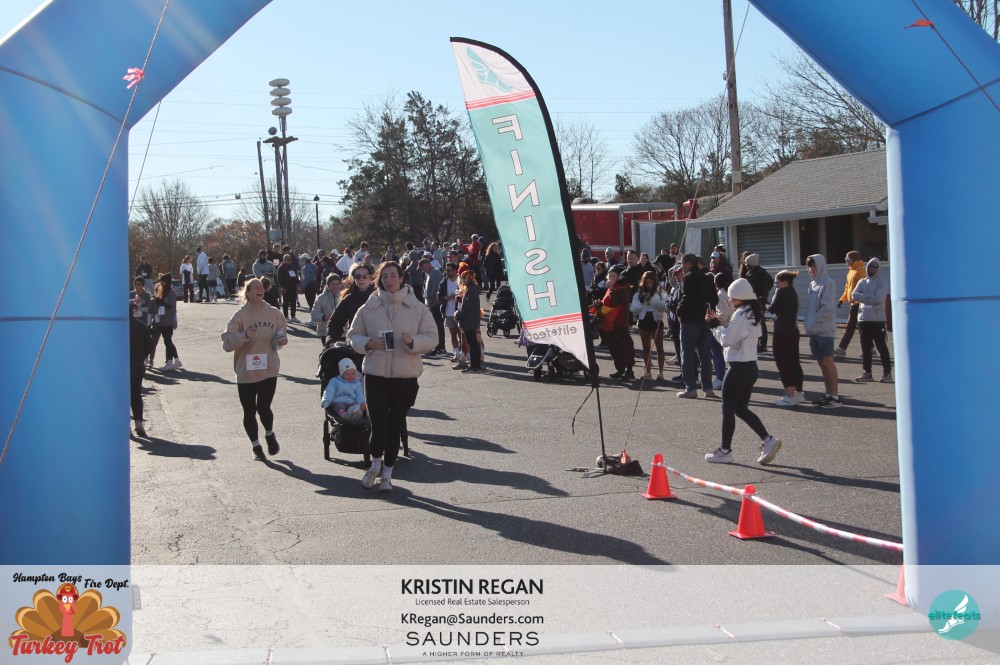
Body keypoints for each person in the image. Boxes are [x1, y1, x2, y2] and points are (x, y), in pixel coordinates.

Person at [349, 261, 437, 492]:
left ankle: (387, 474)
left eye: (393, 276)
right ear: (379, 280)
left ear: (401, 278)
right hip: (375, 375)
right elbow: (353, 335)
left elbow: (432, 337)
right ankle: (374, 466)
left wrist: (413, 341)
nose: (389, 280)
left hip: (405, 377)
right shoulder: (369, 307)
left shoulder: (416, 307)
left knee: (395, 426)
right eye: (385, 276)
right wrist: (368, 343)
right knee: (378, 426)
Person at [703, 278, 782, 465]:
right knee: (740, 408)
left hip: (738, 367)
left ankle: (725, 451)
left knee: (728, 409)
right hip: (750, 366)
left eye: (733, 297)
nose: (730, 300)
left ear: (741, 297)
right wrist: (717, 324)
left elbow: (727, 339)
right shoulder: (753, 313)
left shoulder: (741, 314)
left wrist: (714, 324)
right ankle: (767, 439)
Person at [221, 278, 288, 460]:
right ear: (248, 292)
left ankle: (269, 434)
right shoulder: (240, 316)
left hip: (269, 368)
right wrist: (244, 335)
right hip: (246, 372)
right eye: (255, 287)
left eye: (261, 287)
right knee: (249, 411)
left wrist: (281, 341)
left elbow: (280, 334)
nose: (260, 289)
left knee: (264, 407)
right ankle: (256, 446)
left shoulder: (274, 313)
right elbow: (227, 343)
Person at [804, 254, 842, 407]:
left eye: (813, 266)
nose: (811, 269)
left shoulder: (828, 283)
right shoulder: (812, 284)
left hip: (825, 329)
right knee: (821, 362)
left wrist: (814, 320)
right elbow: (809, 308)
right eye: (809, 266)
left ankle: (834, 396)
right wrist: (808, 322)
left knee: (827, 361)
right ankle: (828, 394)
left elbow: (827, 307)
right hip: (814, 330)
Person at [676, 253, 716, 398]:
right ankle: (708, 388)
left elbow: (687, 298)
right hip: (704, 320)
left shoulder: (688, 277)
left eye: (682, 264)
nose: (681, 267)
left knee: (686, 354)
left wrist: (679, 311)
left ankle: (690, 387)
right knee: (705, 355)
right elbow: (714, 298)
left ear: (688, 263)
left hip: (690, 320)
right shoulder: (707, 277)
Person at [851, 257, 893, 383]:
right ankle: (867, 372)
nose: (871, 269)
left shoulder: (882, 282)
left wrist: (863, 297)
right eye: (870, 266)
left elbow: (878, 299)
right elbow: (853, 295)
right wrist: (870, 296)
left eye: (874, 266)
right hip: (863, 319)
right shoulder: (862, 281)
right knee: (865, 348)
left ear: (878, 268)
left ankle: (887, 373)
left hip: (877, 320)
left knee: (881, 347)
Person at [769, 270, 805, 406]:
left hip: (782, 332)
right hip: (793, 330)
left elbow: (772, 309)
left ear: (784, 282)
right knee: (794, 362)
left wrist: (764, 304)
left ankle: (790, 395)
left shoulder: (781, 292)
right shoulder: (793, 292)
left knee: (783, 363)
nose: (776, 285)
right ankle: (798, 393)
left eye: (777, 282)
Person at [325, 264, 376, 346]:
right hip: (356, 342)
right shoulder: (348, 299)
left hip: (378, 343)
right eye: (358, 276)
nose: (361, 279)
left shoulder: (380, 296)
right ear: (354, 278)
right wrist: (332, 341)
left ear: (370, 278)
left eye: (365, 276)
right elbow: (335, 323)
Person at [600, 265, 635, 380]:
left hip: (620, 322)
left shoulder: (623, 288)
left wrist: (611, 289)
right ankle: (620, 369)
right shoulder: (612, 287)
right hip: (610, 322)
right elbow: (607, 302)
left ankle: (629, 370)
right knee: (614, 347)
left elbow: (615, 301)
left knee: (625, 345)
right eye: (609, 276)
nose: (610, 278)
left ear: (619, 277)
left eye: (613, 276)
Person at [630, 271, 666, 380]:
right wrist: (642, 300)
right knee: (646, 349)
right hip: (644, 320)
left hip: (656, 320)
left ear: (654, 282)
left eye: (650, 282)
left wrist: (651, 299)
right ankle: (648, 372)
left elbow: (664, 306)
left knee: (659, 348)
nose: (648, 284)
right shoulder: (638, 292)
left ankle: (660, 372)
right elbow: (634, 309)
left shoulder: (660, 291)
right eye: (646, 282)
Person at [835, 250, 866, 357]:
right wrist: (842, 299)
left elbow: (863, 287)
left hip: (858, 303)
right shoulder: (850, 272)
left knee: (850, 326)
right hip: (853, 303)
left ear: (853, 260)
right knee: (861, 327)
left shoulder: (860, 271)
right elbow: (847, 289)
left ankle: (841, 348)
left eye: (847, 259)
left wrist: (860, 300)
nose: (846, 261)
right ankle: (870, 348)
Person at [321, 358, 368, 425]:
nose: (350, 376)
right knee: (340, 406)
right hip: (339, 401)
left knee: (357, 407)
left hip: (352, 402)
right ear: (342, 374)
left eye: (352, 373)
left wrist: (360, 403)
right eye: (347, 374)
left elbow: (360, 394)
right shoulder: (335, 381)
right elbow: (329, 391)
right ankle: (343, 414)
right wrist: (326, 400)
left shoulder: (358, 383)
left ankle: (355, 414)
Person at [150, 272, 182, 371]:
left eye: (163, 282)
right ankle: (173, 360)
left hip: (169, 320)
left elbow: (171, 306)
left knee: (168, 341)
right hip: (163, 320)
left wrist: (162, 302)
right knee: (167, 341)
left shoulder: (171, 293)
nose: (161, 283)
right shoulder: (163, 292)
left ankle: (172, 360)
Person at [455, 269, 484, 372]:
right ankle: (475, 365)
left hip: (469, 320)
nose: (462, 280)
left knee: (472, 344)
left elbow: (466, 307)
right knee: (474, 343)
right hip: (473, 320)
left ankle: (474, 365)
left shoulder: (470, 290)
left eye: (464, 278)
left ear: (470, 278)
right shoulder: (473, 289)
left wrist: (458, 314)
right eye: (462, 278)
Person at [129, 300, 151, 438]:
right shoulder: (140, 326)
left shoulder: (115, 328)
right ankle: (138, 422)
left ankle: (125, 425)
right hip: (137, 367)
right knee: (136, 395)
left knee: (121, 397)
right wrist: (142, 356)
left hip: (120, 369)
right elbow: (149, 345)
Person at [742, 253, 772, 353]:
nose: (746, 265)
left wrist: (763, 293)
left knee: (760, 322)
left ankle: (762, 344)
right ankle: (756, 343)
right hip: (752, 298)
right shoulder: (751, 272)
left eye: (747, 263)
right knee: (755, 321)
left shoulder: (760, 273)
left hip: (759, 299)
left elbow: (769, 282)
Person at [420, 258, 447, 357]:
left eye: (423, 267)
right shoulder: (430, 273)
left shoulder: (435, 272)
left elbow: (436, 287)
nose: (423, 270)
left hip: (436, 304)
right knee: (435, 327)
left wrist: (431, 297)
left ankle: (441, 348)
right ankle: (438, 347)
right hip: (432, 304)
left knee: (438, 326)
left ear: (427, 264)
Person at [439, 262, 463, 363]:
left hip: (459, 312)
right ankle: (456, 353)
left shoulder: (461, 281)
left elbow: (466, 294)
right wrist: (444, 298)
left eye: (449, 270)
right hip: (448, 312)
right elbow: (439, 295)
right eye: (446, 270)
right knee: (453, 334)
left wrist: (457, 297)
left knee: (461, 334)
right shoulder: (444, 282)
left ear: (454, 271)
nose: (447, 272)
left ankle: (465, 354)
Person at [312, 273, 343, 346]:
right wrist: (324, 317)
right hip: (325, 331)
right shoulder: (321, 298)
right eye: (333, 284)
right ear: (328, 285)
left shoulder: (343, 296)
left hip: (342, 331)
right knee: (328, 351)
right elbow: (314, 313)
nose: (335, 286)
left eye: (337, 284)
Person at [277, 253, 301, 323]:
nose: (290, 261)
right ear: (284, 260)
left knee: (293, 302)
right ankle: (286, 317)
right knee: (286, 302)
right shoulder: (281, 268)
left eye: (290, 260)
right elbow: (279, 279)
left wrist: (298, 284)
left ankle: (293, 316)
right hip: (285, 288)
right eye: (288, 259)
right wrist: (282, 287)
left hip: (293, 287)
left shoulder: (292, 267)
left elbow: (296, 277)